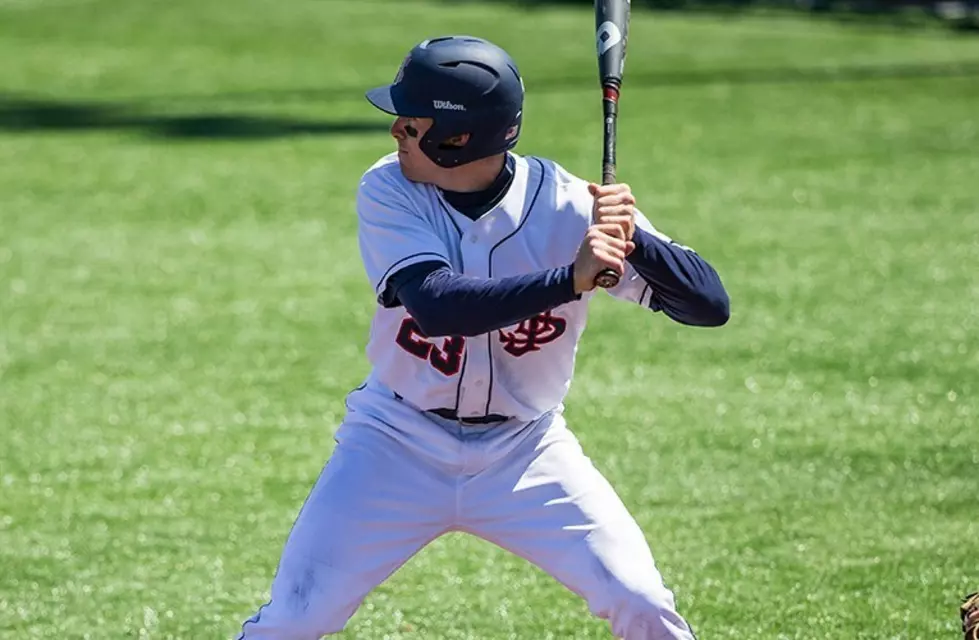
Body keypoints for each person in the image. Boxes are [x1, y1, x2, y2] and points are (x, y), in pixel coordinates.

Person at [237, 35, 730, 640]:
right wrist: (570, 279)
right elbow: (439, 306)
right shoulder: (390, 189)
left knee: (643, 601)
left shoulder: (569, 204)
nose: (395, 131)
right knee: (293, 617)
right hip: (394, 443)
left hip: (526, 453)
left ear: (457, 139)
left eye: (410, 122)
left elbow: (709, 306)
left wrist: (635, 238)